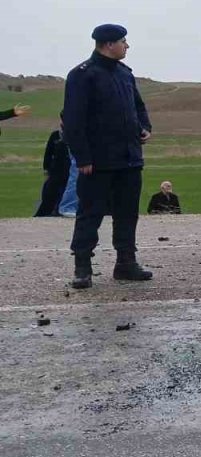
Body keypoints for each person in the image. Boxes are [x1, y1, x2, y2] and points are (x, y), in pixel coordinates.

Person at [62, 24, 154, 289]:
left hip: (129, 159)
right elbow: (73, 120)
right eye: (123, 41)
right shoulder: (83, 75)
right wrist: (83, 158)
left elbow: (138, 107)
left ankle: (126, 263)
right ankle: (82, 266)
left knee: (127, 213)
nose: (127, 46)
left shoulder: (125, 74)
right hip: (98, 162)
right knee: (90, 213)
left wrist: (145, 128)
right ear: (108, 44)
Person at [35, 120, 71, 217]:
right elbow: (48, 153)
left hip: (69, 171)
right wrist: (46, 169)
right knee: (50, 193)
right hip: (56, 171)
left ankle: (61, 209)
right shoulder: (55, 135)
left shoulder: (75, 135)